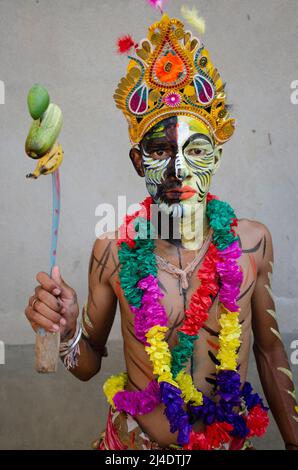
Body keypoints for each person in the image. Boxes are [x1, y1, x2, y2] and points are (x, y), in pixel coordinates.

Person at [24, 11, 298, 450]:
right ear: (138, 162)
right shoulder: (111, 253)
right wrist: (66, 332)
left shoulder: (252, 244)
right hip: (133, 448)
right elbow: (88, 364)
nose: (178, 169)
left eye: (196, 150)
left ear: (216, 158)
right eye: (160, 150)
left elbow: (269, 351)